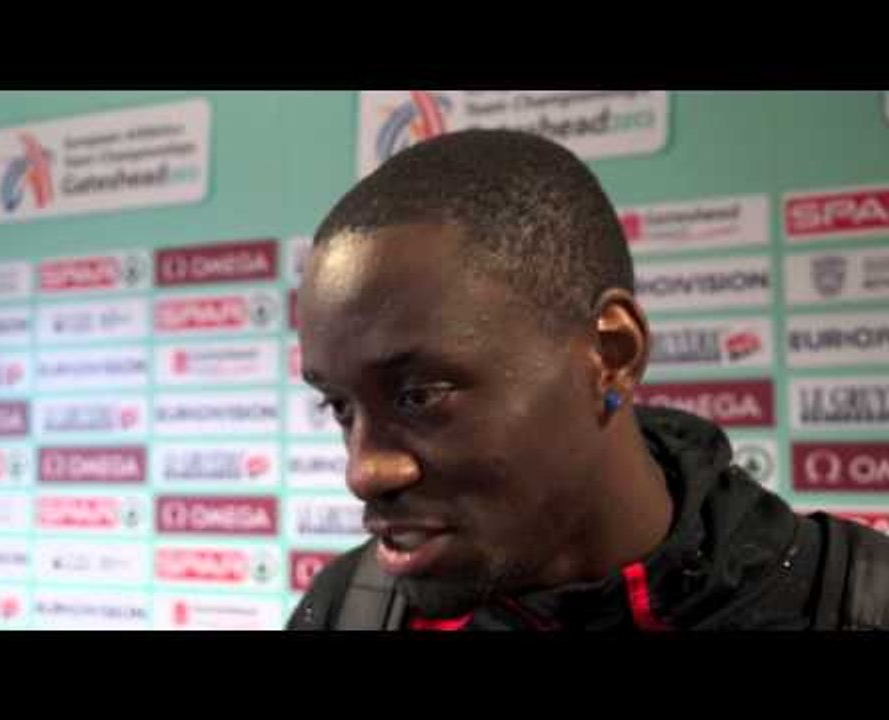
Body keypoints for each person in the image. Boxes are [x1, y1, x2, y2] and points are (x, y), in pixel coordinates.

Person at [287, 128, 889, 631]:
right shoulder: (348, 609)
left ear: (612, 353)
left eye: (418, 396)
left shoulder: (854, 603)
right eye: (341, 407)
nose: (364, 473)